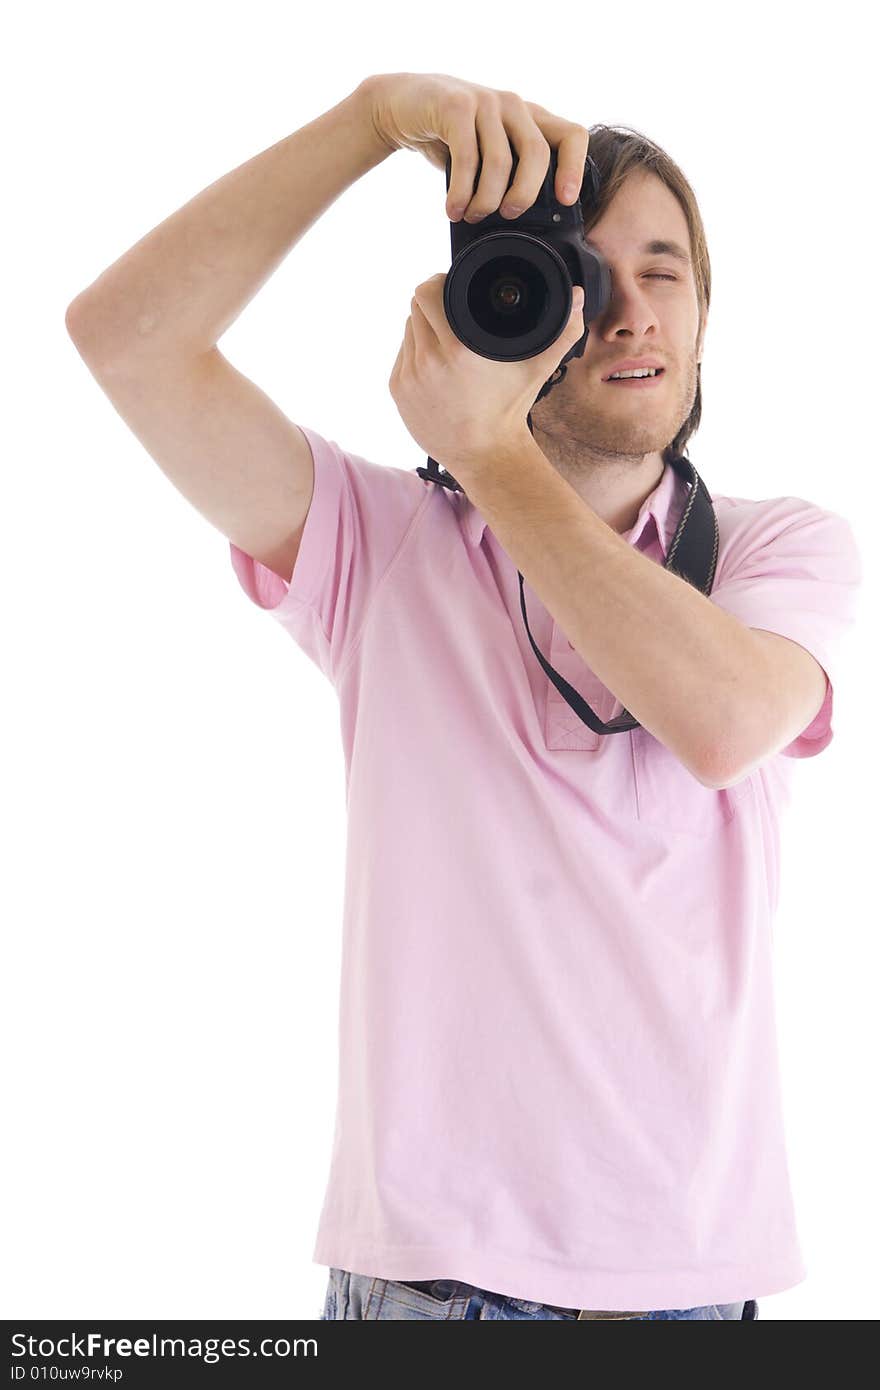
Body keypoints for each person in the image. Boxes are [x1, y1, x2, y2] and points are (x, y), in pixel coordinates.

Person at [66, 72, 861, 1322]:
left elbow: (724, 723)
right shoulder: (378, 545)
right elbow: (125, 336)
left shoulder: (778, 548)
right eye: (582, 276)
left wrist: (489, 451)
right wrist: (373, 119)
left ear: (706, 314)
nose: (627, 313)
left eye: (663, 271)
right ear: (504, 302)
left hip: (703, 1284)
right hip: (434, 1283)